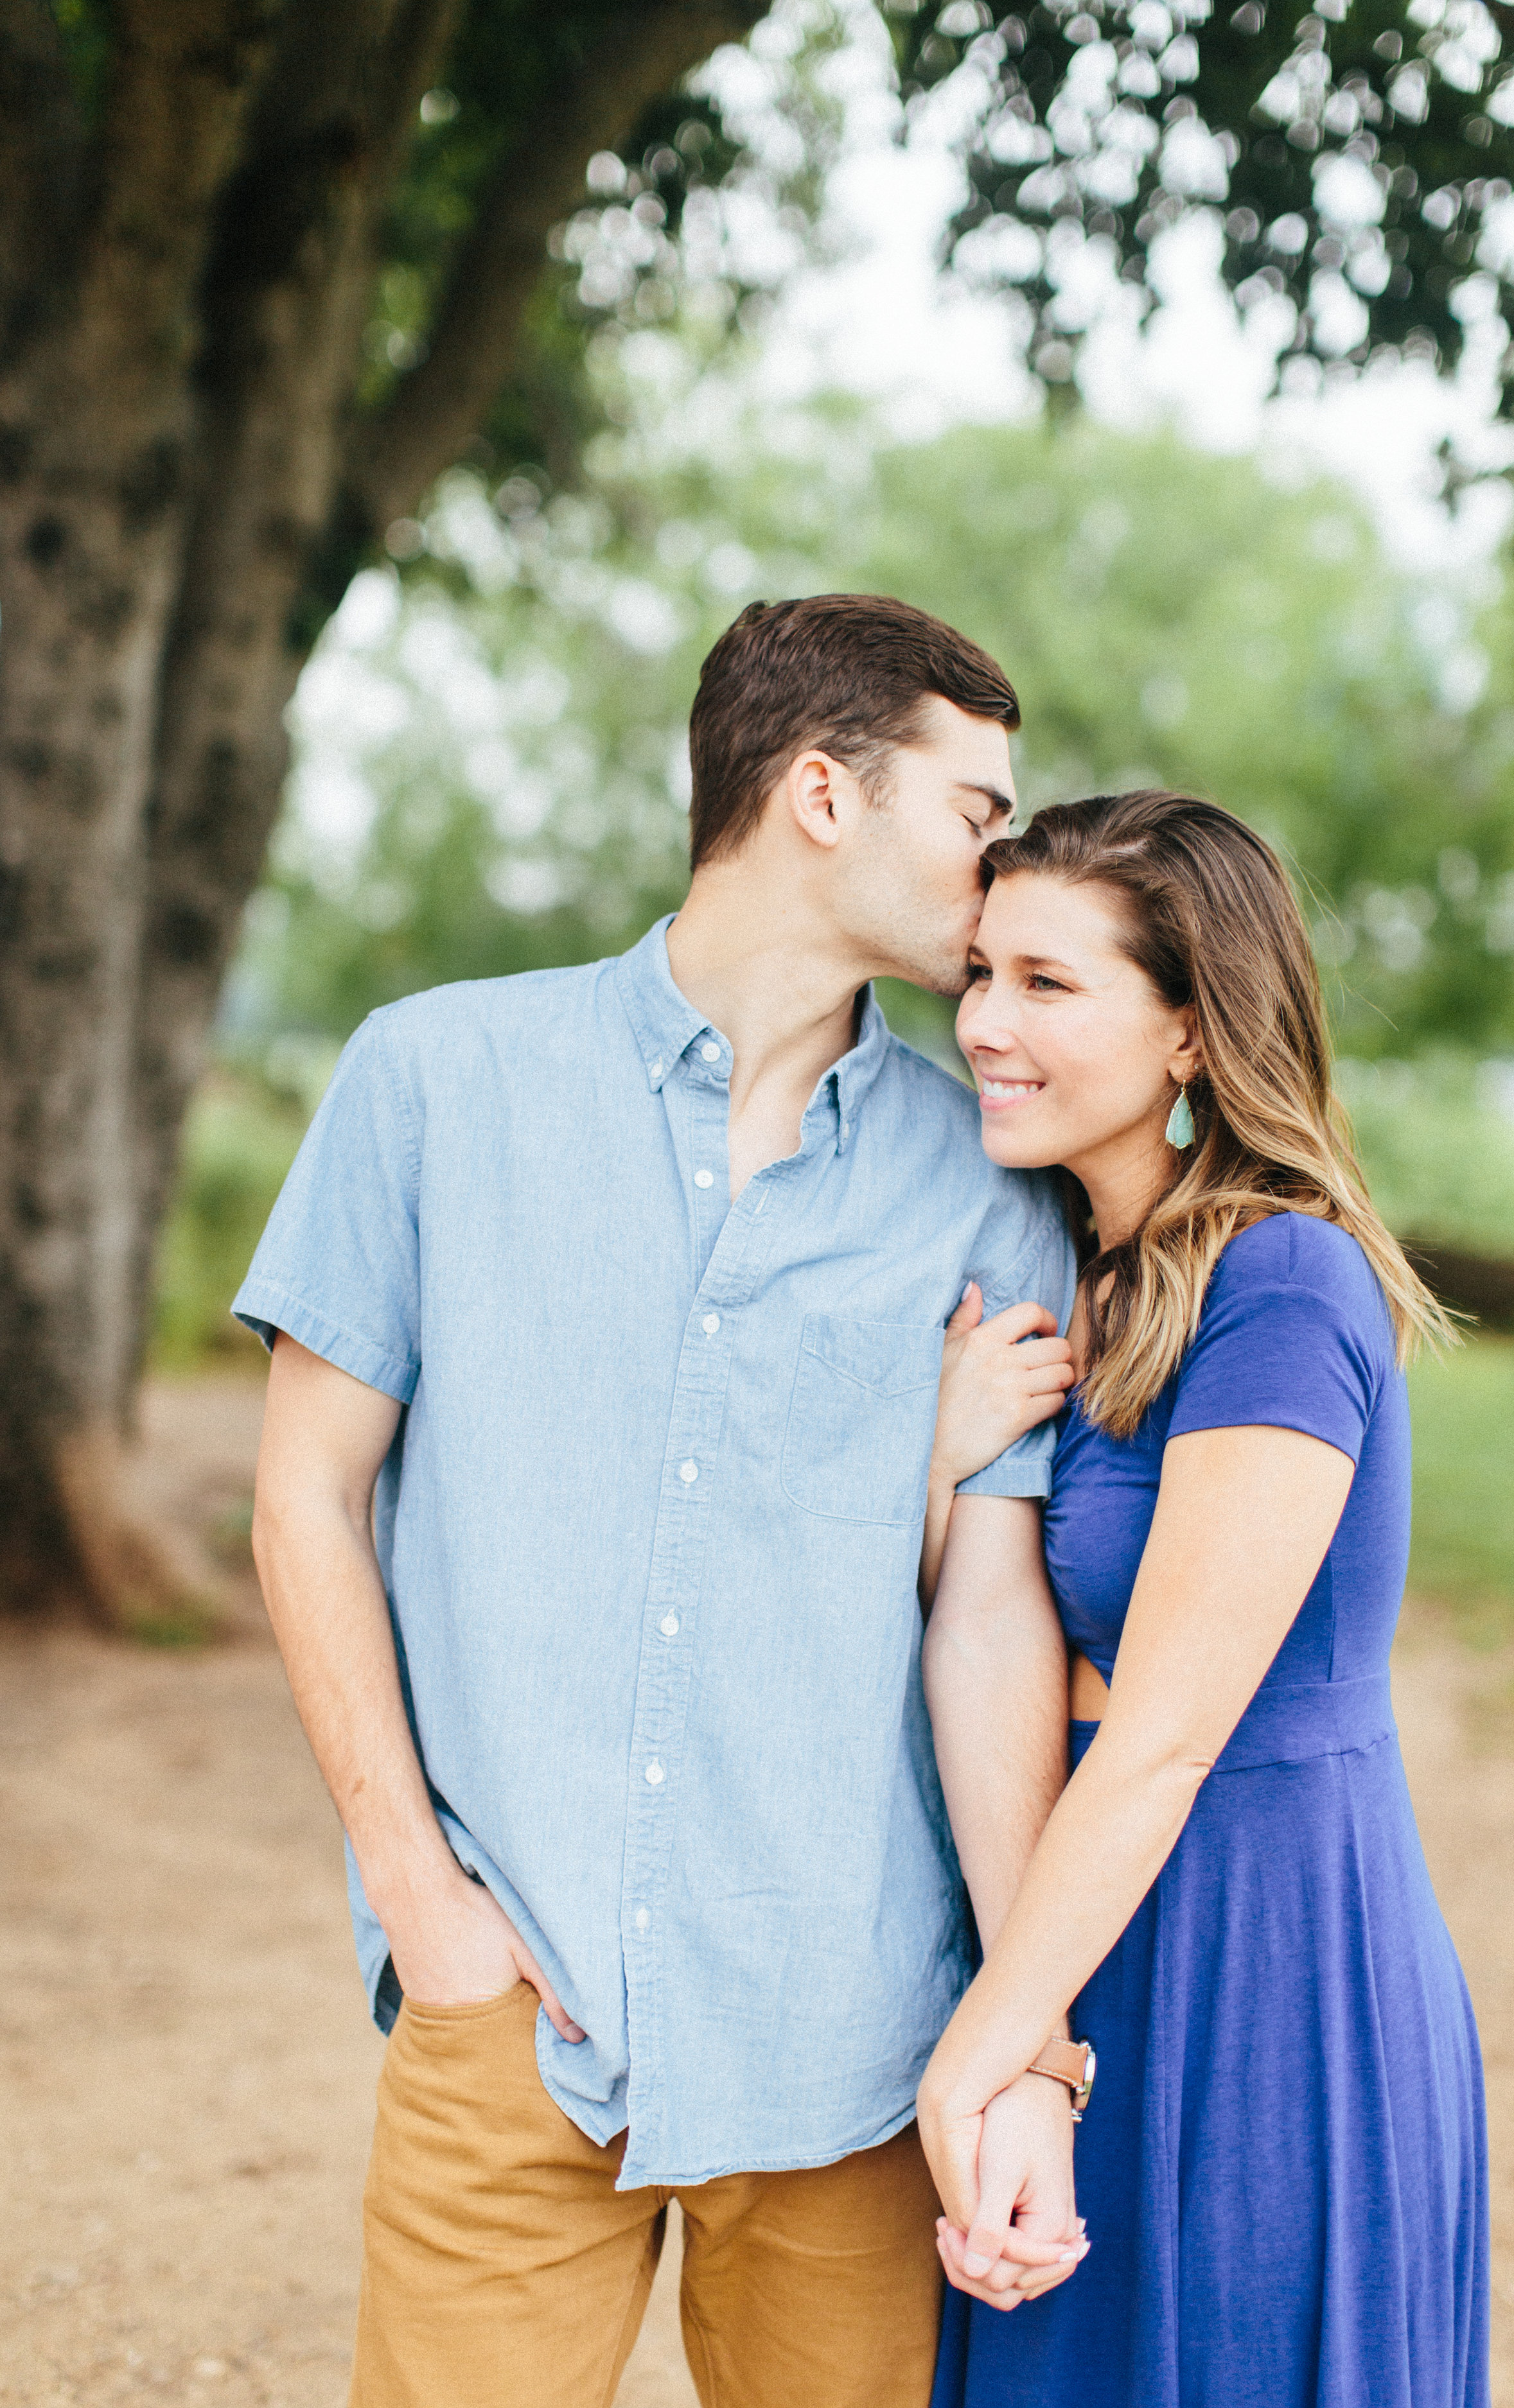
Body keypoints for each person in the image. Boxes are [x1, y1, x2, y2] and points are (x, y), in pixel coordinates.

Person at [236, 594, 1084, 2408]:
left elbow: (986, 1606)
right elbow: (304, 1496)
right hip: (512, 2014)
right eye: (979, 811)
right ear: (820, 794)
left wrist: (1015, 2026)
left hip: (850, 2043)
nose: (1003, 866)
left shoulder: (987, 1187)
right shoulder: (434, 1080)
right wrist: (418, 1895)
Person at [915, 790, 1490, 2407]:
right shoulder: (1067, 1275)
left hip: (1264, 1947)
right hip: (1082, 1905)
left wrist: (984, 2050)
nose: (981, 1023)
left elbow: (1166, 1732)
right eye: (976, 975)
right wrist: (942, 1465)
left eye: (1045, 982)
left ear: (1187, 1033)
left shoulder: (1282, 1282)